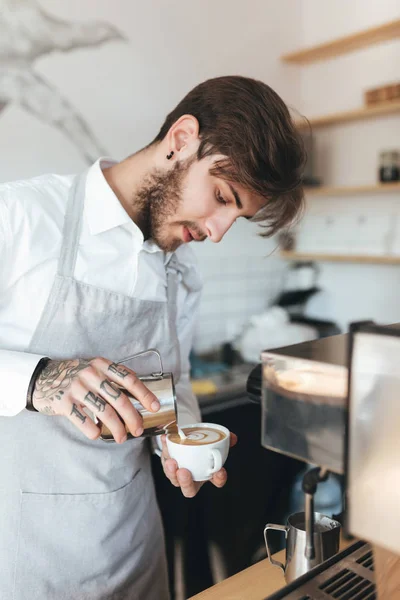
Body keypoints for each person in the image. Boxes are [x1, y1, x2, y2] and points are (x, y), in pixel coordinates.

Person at [0, 75, 305, 599]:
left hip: (131, 546)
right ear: (182, 138)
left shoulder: (180, 275)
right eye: (221, 198)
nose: (218, 231)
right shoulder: (21, 218)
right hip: (25, 557)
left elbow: (172, 384)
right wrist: (38, 378)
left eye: (238, 216)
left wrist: (177, 437)